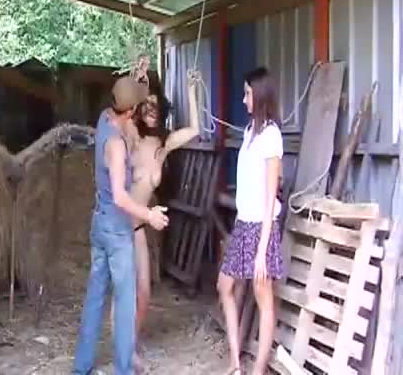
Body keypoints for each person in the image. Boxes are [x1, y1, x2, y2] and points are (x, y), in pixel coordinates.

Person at [72, 76, 170, 375]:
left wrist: (138, 80)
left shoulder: (105, 119)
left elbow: (123, 102)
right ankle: (124, 370)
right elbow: (120, 196)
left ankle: (82, 366)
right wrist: (149, 215)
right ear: (130, 112)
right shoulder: (115, 146)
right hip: (116, 230)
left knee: (95, 296)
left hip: (99, 223)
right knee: (125, 303)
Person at [125, 72, 201, 354]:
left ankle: (130, 343)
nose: (150, 111)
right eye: (146, 106)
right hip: (120, 225)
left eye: (155, 107)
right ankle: (125, 352)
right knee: (125, 293)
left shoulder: (164, 145)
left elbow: (195, 130)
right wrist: (136, 79)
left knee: (144, 293)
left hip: (138, 227)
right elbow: (121, 111)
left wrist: (192, 91)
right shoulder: (132, 137)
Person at [217, 67, 284, 375]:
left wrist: (261, 252)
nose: (244, 99)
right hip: (244, 223)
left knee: (263, 299)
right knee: (224, 286)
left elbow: (270, 199)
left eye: (247, 93)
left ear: (260, 95)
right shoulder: (249, 132)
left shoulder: (271, 136)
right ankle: (235, 362)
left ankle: (257, 370)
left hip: (261, 227)